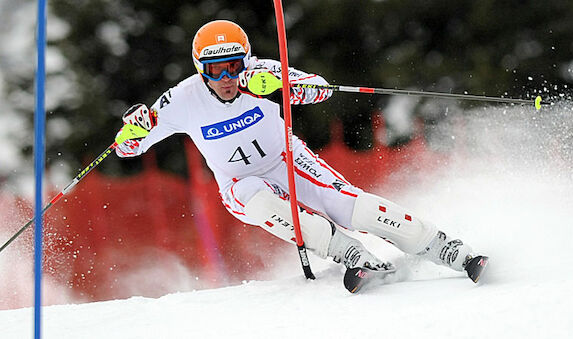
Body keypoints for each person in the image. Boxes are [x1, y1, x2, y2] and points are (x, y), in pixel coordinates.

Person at [115, 20, 487, 284]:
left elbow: (320, 89)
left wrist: (282, 84)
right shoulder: (182, 99)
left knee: (353, 207)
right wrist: (134, 130)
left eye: (234, 66)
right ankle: (351, 255)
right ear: (201, 70)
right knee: (260, 205)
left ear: (245, 60)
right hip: (239, 181)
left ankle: (447, 248)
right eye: (216, 69)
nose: (227, 78)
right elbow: (127, 149)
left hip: (286, 159)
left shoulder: (259, 73)